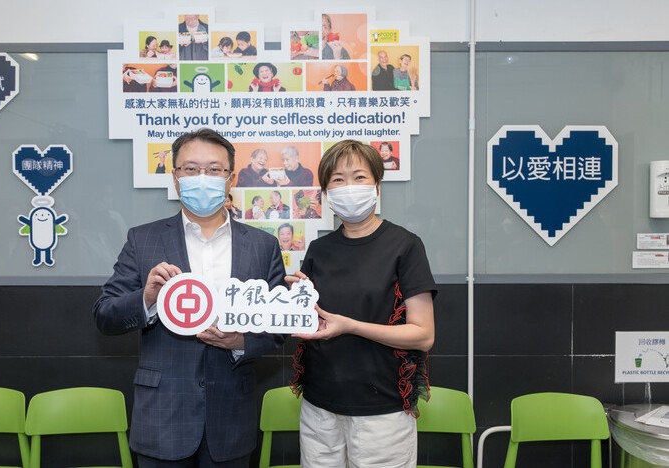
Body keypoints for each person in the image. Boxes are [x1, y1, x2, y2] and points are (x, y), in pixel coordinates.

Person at [93, 128, 286, 468]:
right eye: (191, 169)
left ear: (231, 179)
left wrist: (241, 341)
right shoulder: (144, 240)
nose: (202, 178)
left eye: (214, 170)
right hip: (162, 419)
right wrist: (148, 298)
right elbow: (105, 315)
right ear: (175, 177)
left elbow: (277, 329)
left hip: (231, 421)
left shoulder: (262, 246)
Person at [287, 139, 436, 468]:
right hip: (319, 405)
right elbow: (312, 322)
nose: (348, 187)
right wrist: (292, 303)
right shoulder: (318, 249)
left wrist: (351, 326)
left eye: (359, 177)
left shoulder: (405, 246)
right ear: (326, 192)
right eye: (337, 180)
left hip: (381, 410)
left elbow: (423, 335)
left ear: (377, 185)